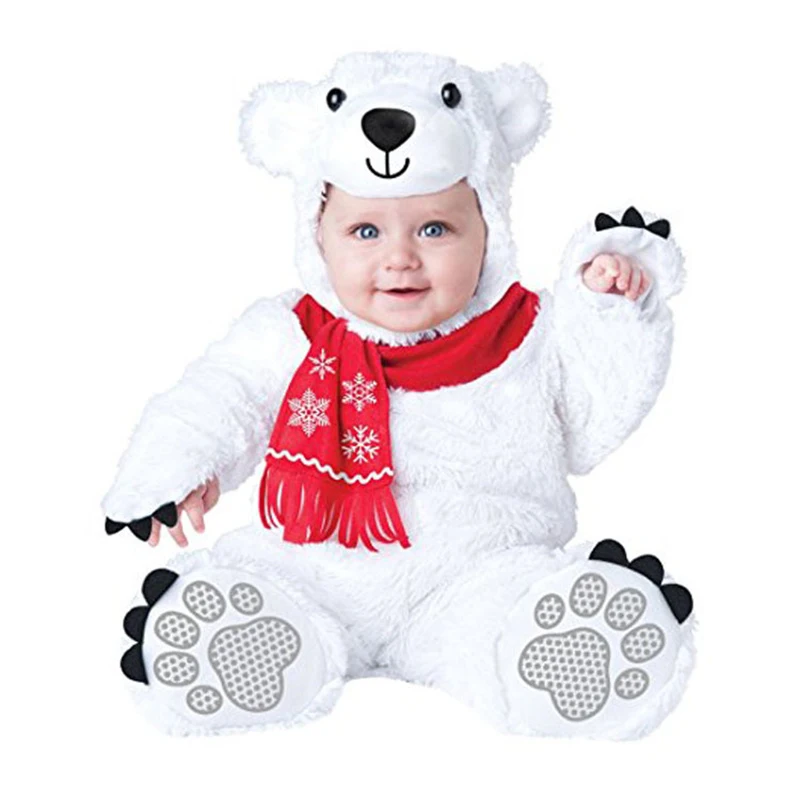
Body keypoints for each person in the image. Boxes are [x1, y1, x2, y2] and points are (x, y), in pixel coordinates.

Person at [103, 51, 694, 739]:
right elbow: (221, 396)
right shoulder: (291, 333)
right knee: (257, 577)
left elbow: (592, 418)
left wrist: (610, 310)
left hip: (477, 572)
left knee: (509, 610)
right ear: (316, 237)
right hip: (316, 563)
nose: (400, 258)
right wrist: (172, 471)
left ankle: (547, 653)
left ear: (490, 227)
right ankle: (255, 643)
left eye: (435, 229)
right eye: (365, 231)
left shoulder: (530, 331)